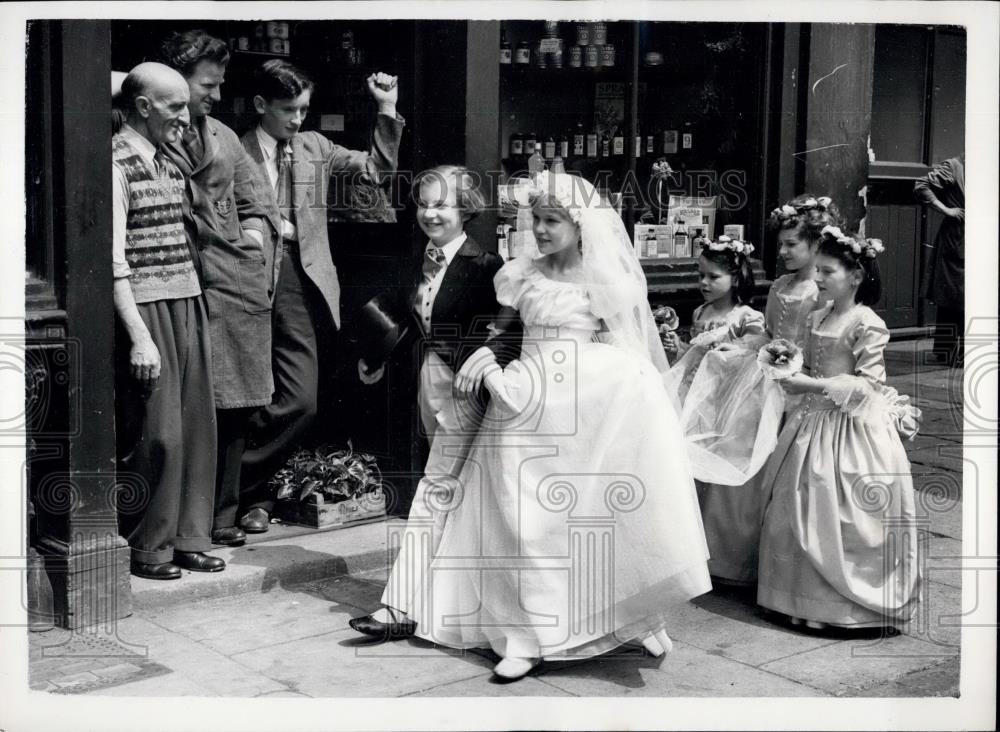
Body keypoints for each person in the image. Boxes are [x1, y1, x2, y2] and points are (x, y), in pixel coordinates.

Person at [404, 171, 712, 681]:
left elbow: (623, 348)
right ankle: (523, 635)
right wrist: (486, 357)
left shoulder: (602, 280)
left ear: (579, 224)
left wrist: (599, 392)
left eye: (552, 221)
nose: (540, 230)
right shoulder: (522, 272)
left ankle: (620, 618)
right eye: (536, 219)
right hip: (519, 399)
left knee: (576, 520)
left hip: (579, 406)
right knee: (515, 516)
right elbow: (502, 331)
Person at [237, 59, 405, 533]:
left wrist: (386, 108)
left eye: (304, 109)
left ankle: (239, 480)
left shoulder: (315, 146)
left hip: (299, 278)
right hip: (243, 279)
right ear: (260, 105)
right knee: (243, 394)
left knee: (300, 399)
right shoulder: (232, 147)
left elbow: (376, 170)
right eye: (288, 109)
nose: (297, 119)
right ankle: (252, 502)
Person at [348, 166, 507, 640]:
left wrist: (484, 360)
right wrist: (375, 355)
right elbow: (402, 312)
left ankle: (397, 607)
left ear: (466, 211)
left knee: (433, 491)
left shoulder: (487, 265)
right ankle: (449, 601)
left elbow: (509, 331)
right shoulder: (417, 258)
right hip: (429, 385)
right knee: (451, 493)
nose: (431, 213)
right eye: (424, 204)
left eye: (443, 205)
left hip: (466, 392)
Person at [757, 225, 921, 629]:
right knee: (795, 504)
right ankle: (799, 601)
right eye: (818, 271)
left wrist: (811, 384)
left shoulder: (866, 322)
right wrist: (790, 368)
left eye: (827, 272)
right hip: (810, 423)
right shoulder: (819, 314)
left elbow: (870, 385)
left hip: (849, 430)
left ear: (856, 276)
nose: (818, 279)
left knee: (841, 510)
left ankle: (845, 606)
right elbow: (812, 365)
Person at [156, 30, 276, 548]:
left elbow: (258, 202)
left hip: (232, 282)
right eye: (208, 83)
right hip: (178, 277)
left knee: (236, 405)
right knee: (185, 407)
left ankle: (221, 517)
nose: (217, 94)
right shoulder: (145, 129)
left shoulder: (225, 136)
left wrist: (248, 240)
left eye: (219, 84)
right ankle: (185, 524)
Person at [112, 62, 222, 579]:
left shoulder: (171, 161)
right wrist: (138, 336)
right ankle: (149, 546)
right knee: (161, 435)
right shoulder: (115, 164)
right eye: (175, 106)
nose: (186, 115)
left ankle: (187, 538)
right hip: (148, 310)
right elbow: (114, 263)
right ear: (142, 107)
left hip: (187, 300)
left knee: (197, 428)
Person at [663, 238, 782, 585]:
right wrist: (680, 347)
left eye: (713, 277)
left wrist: (733, 347)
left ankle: (724, 557)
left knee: (720, 478)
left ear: (736, 277)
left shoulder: (746, 317)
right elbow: (692, 357)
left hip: (729, 400)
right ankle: (690, 550)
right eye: (700, 275)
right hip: (696, 397)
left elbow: (755, 351)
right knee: (690, 469)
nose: (704, 283)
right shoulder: (700, 313)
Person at [914, 154, 965, 367]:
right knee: (957, 293)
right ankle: (952, 352)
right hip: (958, 237)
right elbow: (921, 186)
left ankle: (949, 351)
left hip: (978, 236)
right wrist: (946, 210)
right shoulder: (954, 167)